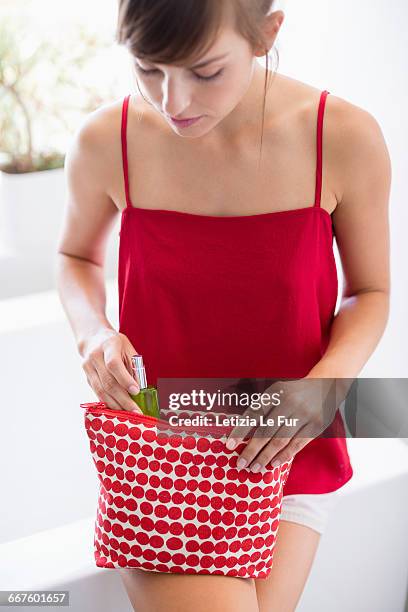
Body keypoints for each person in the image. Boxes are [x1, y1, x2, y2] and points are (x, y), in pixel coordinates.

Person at [56, 1, 391, 610]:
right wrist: (92, 334)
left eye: (204, 72)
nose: (173, 101)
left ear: (267, 33)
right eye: (149, 69)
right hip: (165, 451)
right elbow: (75, 256)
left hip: (288, 444)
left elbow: (370, 292)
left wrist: (323, 389)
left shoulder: (341, 135)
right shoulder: (108, 139)